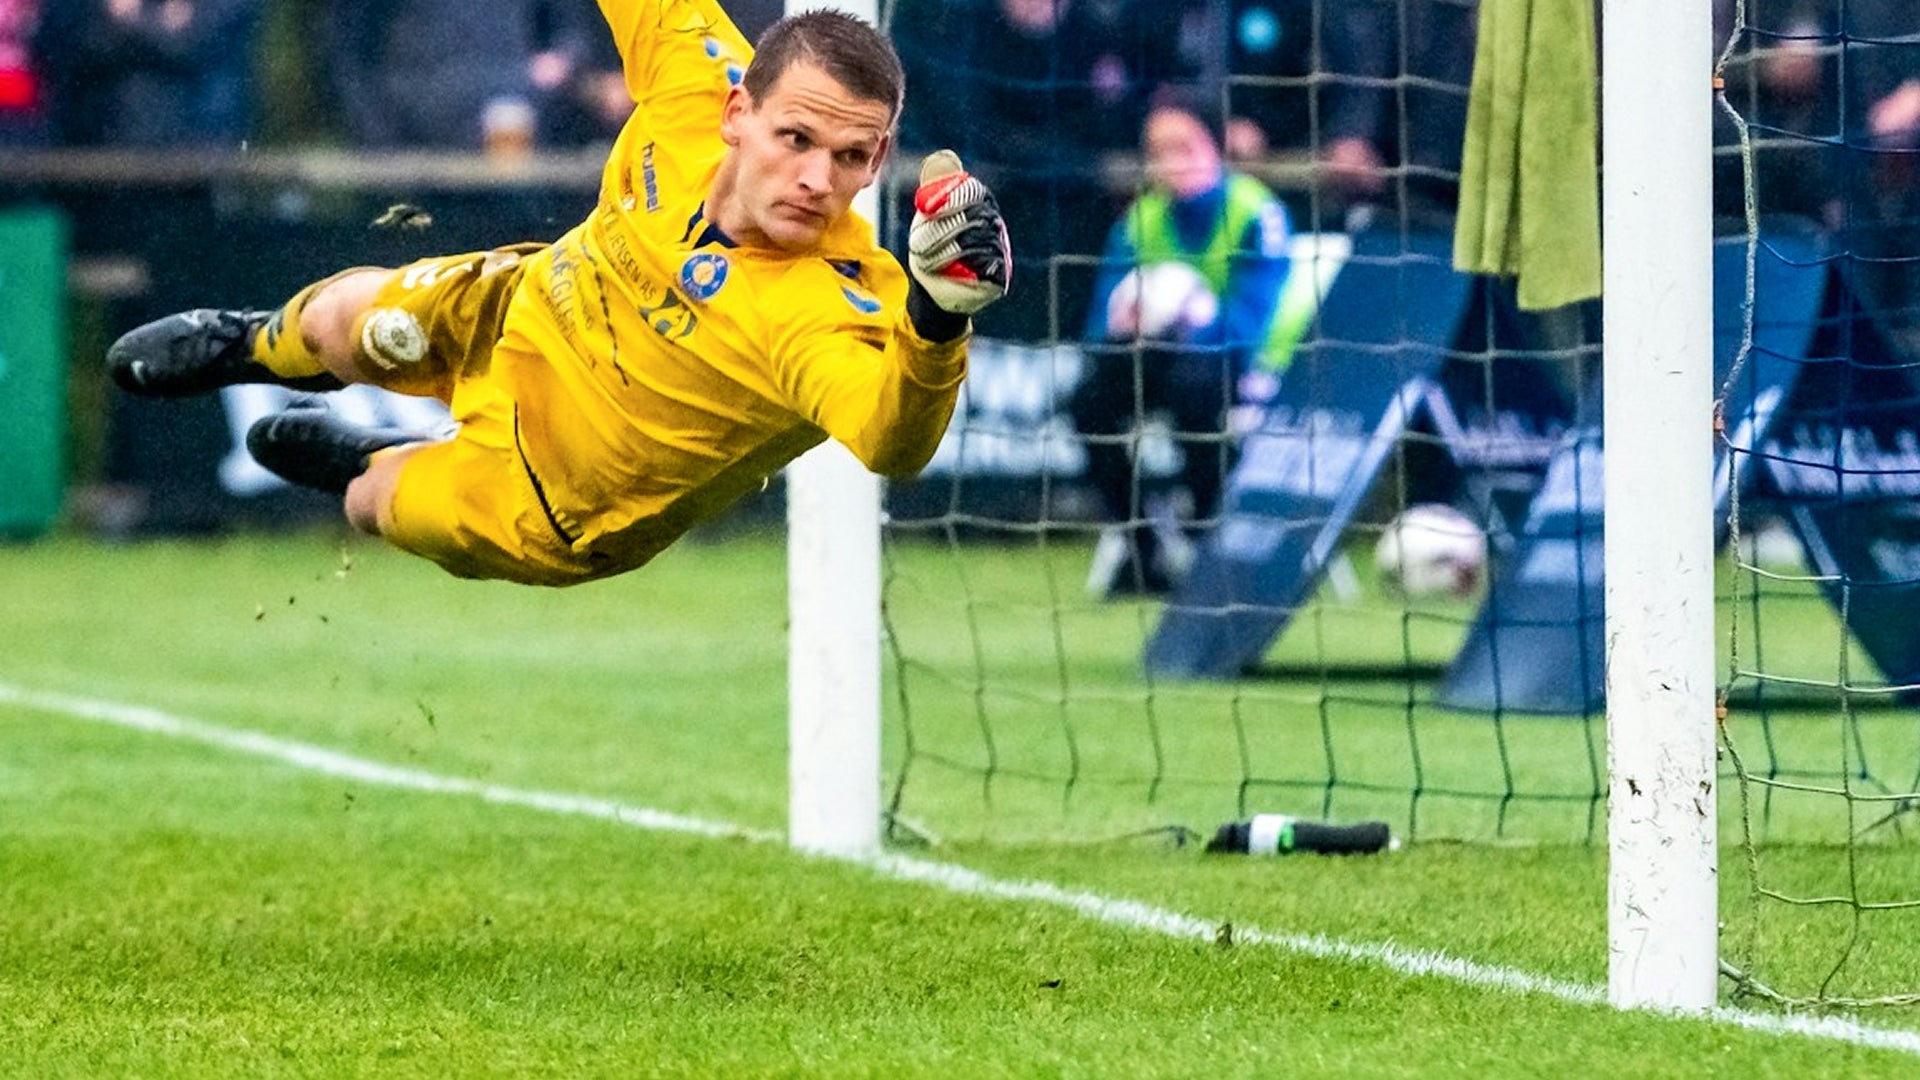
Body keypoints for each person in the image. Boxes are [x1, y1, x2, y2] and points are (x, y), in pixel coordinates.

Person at [105, 3, 1011, 588]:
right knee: (345, 320)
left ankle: (363, 462)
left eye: (849, 157)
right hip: (522, 306)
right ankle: (248, 343)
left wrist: (937, 320)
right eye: (797, 139)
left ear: (878, 161)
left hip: (552, 497)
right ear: (739, 111)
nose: (817, 179)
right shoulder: (695, 81)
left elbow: (890, 441)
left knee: (378, 504)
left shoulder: (830, 308)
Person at [1069, 86, 1293, 596]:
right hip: (1156, 357)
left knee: (1195, 389)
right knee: (1087, 402)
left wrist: (1195, 322)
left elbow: (1255, 319)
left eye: (1185, 147)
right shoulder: (1140, 219)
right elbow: (1100, 321)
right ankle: (1143, 547)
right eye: (1159, 151)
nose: (1172, 162)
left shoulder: (1256, 213)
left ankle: (1209, 537)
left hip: (1238, 363)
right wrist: (1124, 321)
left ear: (1215, 146)